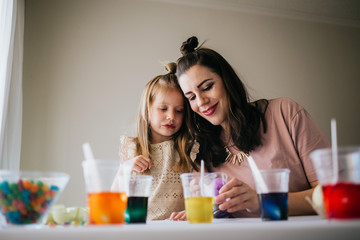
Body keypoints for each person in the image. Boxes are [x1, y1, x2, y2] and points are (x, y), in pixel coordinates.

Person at [173, 36, 330, 218]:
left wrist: (262, 202)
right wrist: (204, 209)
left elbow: (330, 194)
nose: (201, 102)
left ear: (227, 80)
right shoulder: (200, 150)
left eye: (207, 87)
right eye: (191, 97)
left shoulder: (285, 113)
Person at [114, 62, 199, 221]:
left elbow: (198, 189)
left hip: (176, 228)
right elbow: (115, 196)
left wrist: (192, 211)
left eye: (179, 111)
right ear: (147, 111)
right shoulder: (132, 148)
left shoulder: (188, 148)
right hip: (140, 228)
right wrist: (125, 169)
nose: (171, 117)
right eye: (163, 109)